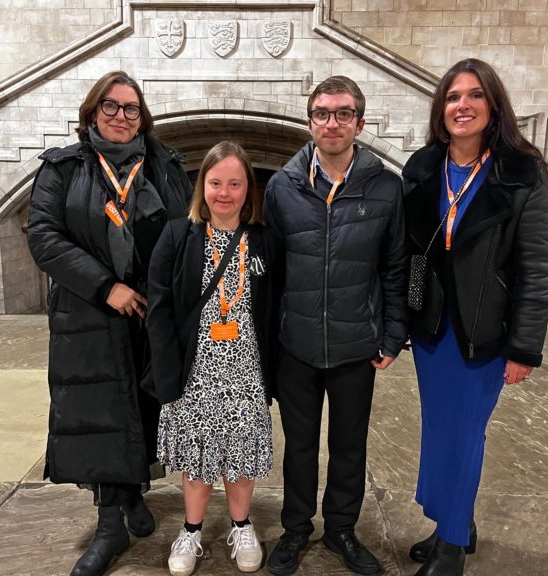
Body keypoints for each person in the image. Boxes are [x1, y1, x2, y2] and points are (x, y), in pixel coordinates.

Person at [27, 70, 191, 576]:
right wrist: (105, 286)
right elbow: (44, 237)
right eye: (111, 107)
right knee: (100, 412)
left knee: (143, 409)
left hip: (150, 311)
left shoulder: (164, 164)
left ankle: (134, 493)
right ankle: (108, 524)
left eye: (131, 109)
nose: (121, 116)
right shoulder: (64, 168)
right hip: (90, 312)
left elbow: (186, 229)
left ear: (143, 117)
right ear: (93, 111)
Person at [402, 58, 548, 576]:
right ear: (440, 108)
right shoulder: (423, 167)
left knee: (466, 433)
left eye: (473, 96)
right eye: (451, 97)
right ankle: (455, 523)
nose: (461, 106)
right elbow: (416, 255)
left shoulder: (521, 173)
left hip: (485, 332)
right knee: (440, 430)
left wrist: (524, 346)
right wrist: (407, 317)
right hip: (433, 330)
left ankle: (450, 553)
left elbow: (536, 268)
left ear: (493, 106)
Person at [263, 76, 407, 576]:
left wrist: (393, 335)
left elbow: (397, 267)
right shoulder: (282, 187)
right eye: (323, 112)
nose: (332, 122)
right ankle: (297, 529)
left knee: (350, 445)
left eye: (343, 113)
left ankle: (341, 530)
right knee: (298, 446)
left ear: (359, 124)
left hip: (355, 345)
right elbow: (272, 271)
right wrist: (270, 341)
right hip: (296, 345)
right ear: (310, 122)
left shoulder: (386, 187)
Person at [148, 141, 283, 576]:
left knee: (241, 453)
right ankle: (190, 530)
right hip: (196, 369)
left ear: (249, 190)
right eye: (215, 183)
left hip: (246, 368)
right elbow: (159, 307)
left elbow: (276, 304)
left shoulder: (264, 241)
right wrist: (169, 372)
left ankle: (242, 525)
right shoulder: (177, 236)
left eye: (235, 184)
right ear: (201, 186)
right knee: (197, 458)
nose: (224, 193)